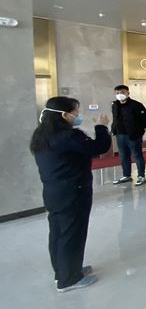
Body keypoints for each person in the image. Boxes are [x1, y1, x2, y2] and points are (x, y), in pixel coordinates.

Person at [30, 96, 112, 293]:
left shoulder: (42, 134)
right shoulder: (67, 136)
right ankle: (69, 279)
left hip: (54, 191)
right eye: (75, 112)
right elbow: (98, 148)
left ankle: (64, 271)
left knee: (59, 232)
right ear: (64, 115)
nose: (77, 116)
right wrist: (101, 127)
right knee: (72, 233)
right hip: (73, 191)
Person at [111, 85, 146, 186]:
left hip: (133, 135)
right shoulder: (115, 105)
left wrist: (137, 130)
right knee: (123, 155)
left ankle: (141, 176)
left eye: (122, 92)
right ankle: (126, 175)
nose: (120, 95)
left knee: (137, 155)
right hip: (120, 134)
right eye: (117, 93)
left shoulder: (136, 105)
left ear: (128, 93)